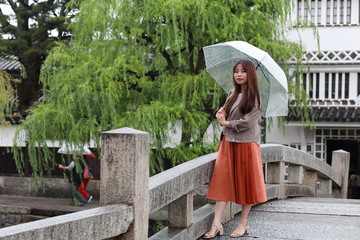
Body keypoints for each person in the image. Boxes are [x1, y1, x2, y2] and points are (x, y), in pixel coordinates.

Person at [203, 60, 267, 239]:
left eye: (243, 71)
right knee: (222, 180)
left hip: (246, 144)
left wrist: (226, 123)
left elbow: (248, 122)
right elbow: (225, 113)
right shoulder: (232, 93)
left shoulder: (255, 96)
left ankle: (243, 222)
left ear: (250, 75)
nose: (238, 74)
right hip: (228, 143)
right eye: (236, 71)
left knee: (246, 183)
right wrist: (220, 114)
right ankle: (216, 223)